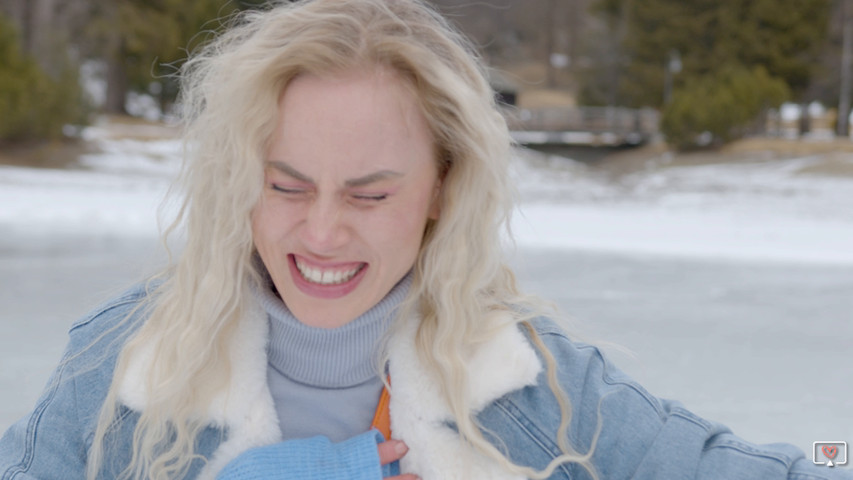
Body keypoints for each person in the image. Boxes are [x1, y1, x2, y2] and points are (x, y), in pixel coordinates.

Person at [0, 0, 849, 479]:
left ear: (443, 187)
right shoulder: (118, 371)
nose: (322, 231)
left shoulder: (533, 388)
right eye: (285, 184)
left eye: (370, 194)